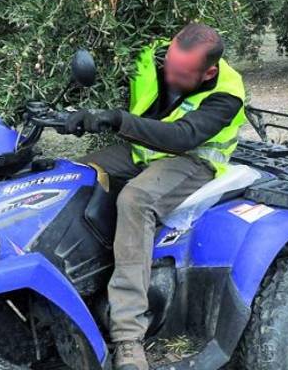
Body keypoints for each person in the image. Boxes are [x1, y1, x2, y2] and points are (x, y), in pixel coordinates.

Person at [63, 23, 246, 370]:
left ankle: (128, 337)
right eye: (169, 68)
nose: (170, 76)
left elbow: (181, 137)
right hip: (143, 151)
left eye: (181, 75)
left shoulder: (228, 93)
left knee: (136, 200)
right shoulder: (151, 53)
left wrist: (116, 121)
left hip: (192, 160)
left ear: (208, 71)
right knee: (74, 176)